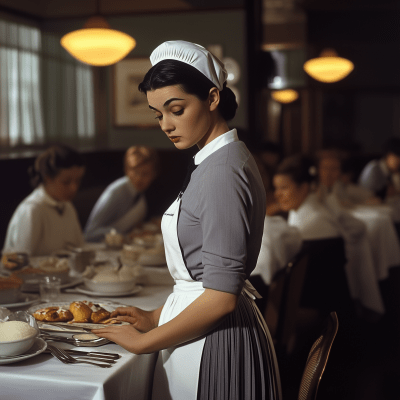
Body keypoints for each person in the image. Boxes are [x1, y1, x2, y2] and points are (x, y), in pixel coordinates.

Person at [92, 40, 281, 400]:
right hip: (206, 327)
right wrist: (154, 316)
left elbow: (221, 297)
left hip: (215, 341)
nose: (166, 124)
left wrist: (145, 342)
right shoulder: (219, 159)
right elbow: (205, 282)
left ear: (212, 99)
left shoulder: (222, 171)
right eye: (158, 114)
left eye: (176, 109)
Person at [3, 145, 85, 256]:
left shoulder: (67, 206)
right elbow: (19, 261)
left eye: (78, 181)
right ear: (48, 178)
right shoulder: (32, 209)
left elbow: (79, 247)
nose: (74, 188)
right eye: (66, 182)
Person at [84, 146, 159, 242]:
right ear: (127, 170)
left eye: (145, 174)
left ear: (154, 174)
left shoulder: (139, 195)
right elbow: (90, 233)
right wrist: (122, 234)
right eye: (135, 172)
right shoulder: (117, 192)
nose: (139, 178)